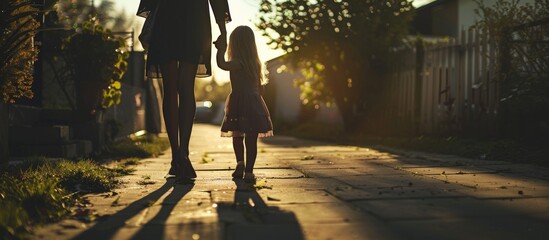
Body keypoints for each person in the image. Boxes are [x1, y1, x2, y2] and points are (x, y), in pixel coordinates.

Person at [137, 0, 231, 183]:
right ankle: (183, 153)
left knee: (170, 88)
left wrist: (149, 22)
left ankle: (176, 156)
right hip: (195, 19)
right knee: (185, 87)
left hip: (166, 17)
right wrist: (223, 30)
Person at [214, 26, 274, 183]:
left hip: (239, 103)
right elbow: (260, 87)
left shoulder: (237, 62)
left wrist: (220, 49)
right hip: (254, 103)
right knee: (251, 139)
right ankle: (249, 171)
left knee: (237, 135)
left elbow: (221, 64)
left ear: (235, 44)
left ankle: (240, 162)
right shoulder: (255, 63)